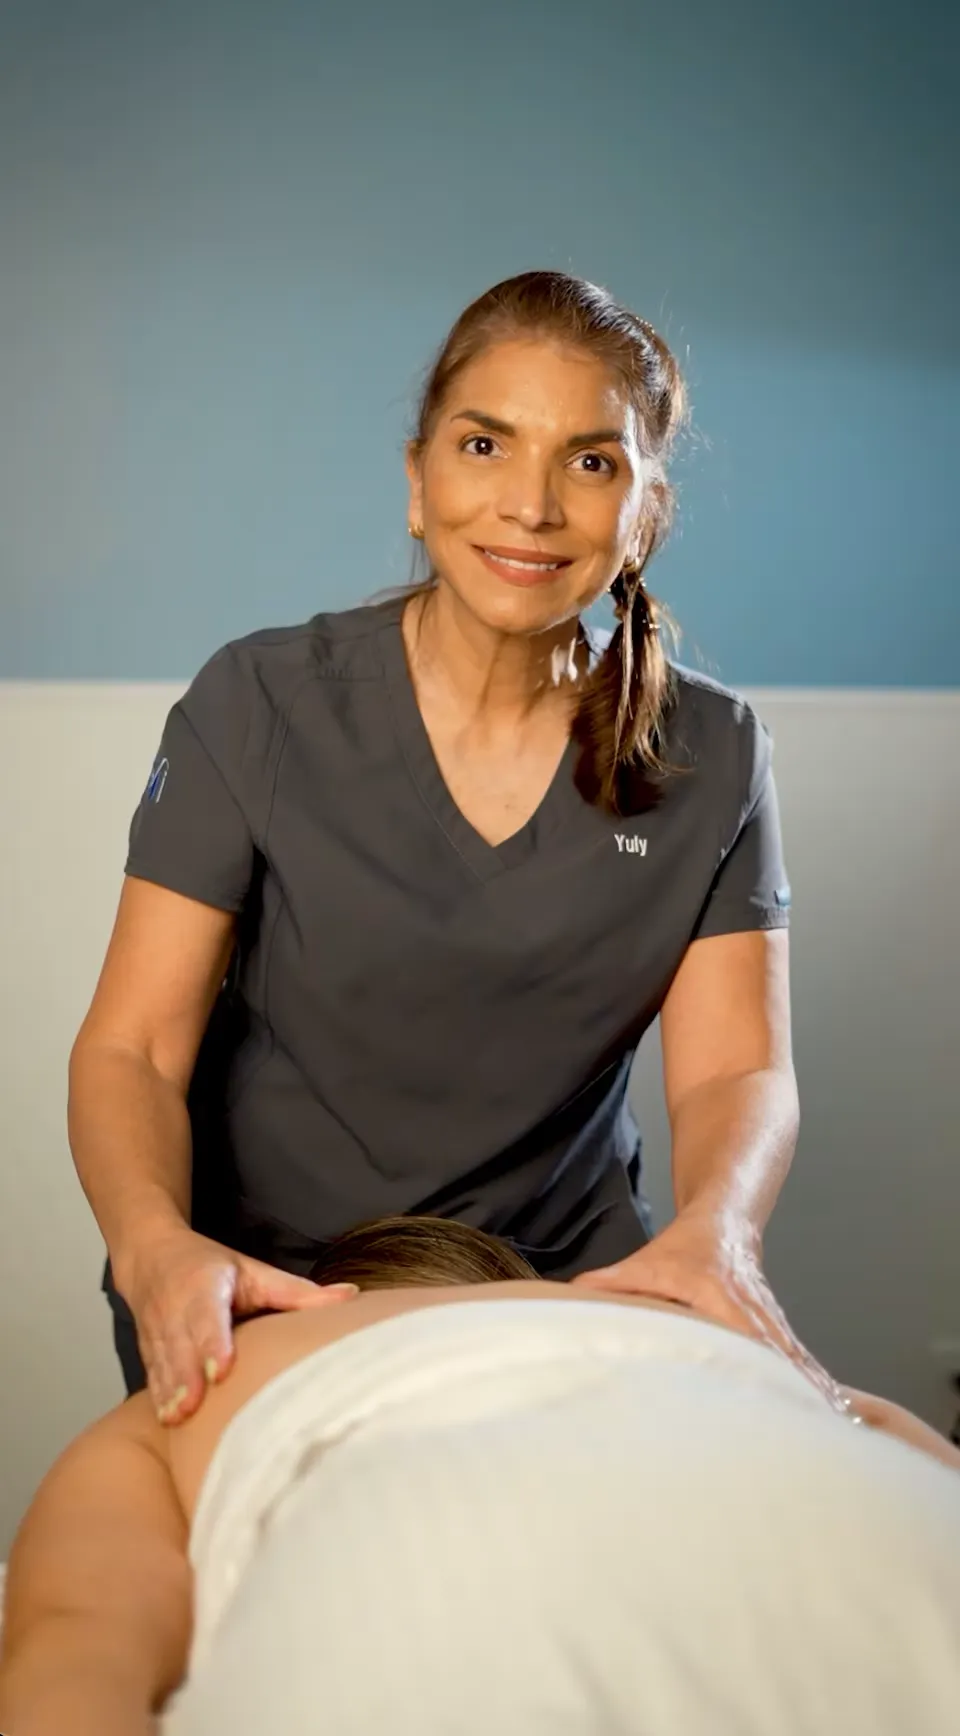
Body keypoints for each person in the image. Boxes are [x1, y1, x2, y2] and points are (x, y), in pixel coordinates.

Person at [68, 268, 838, 1432]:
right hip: (268, 1286)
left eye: (591, 461)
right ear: (418, 481)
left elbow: (737, 1070)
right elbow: (131, 1048)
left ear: (647, 512)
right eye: (486, 445)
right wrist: (155, 1246)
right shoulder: (261, 702)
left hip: (565, 1288)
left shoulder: (716, 754)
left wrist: (714, 1233)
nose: (529, 505)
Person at [1, 1218, 958, 1736]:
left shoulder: (217, 1373)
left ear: (334, 1298)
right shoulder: (685, 1327)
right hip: (839, 1507)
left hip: (439, 1553)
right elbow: (885, 1435)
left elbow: (80, 1641)